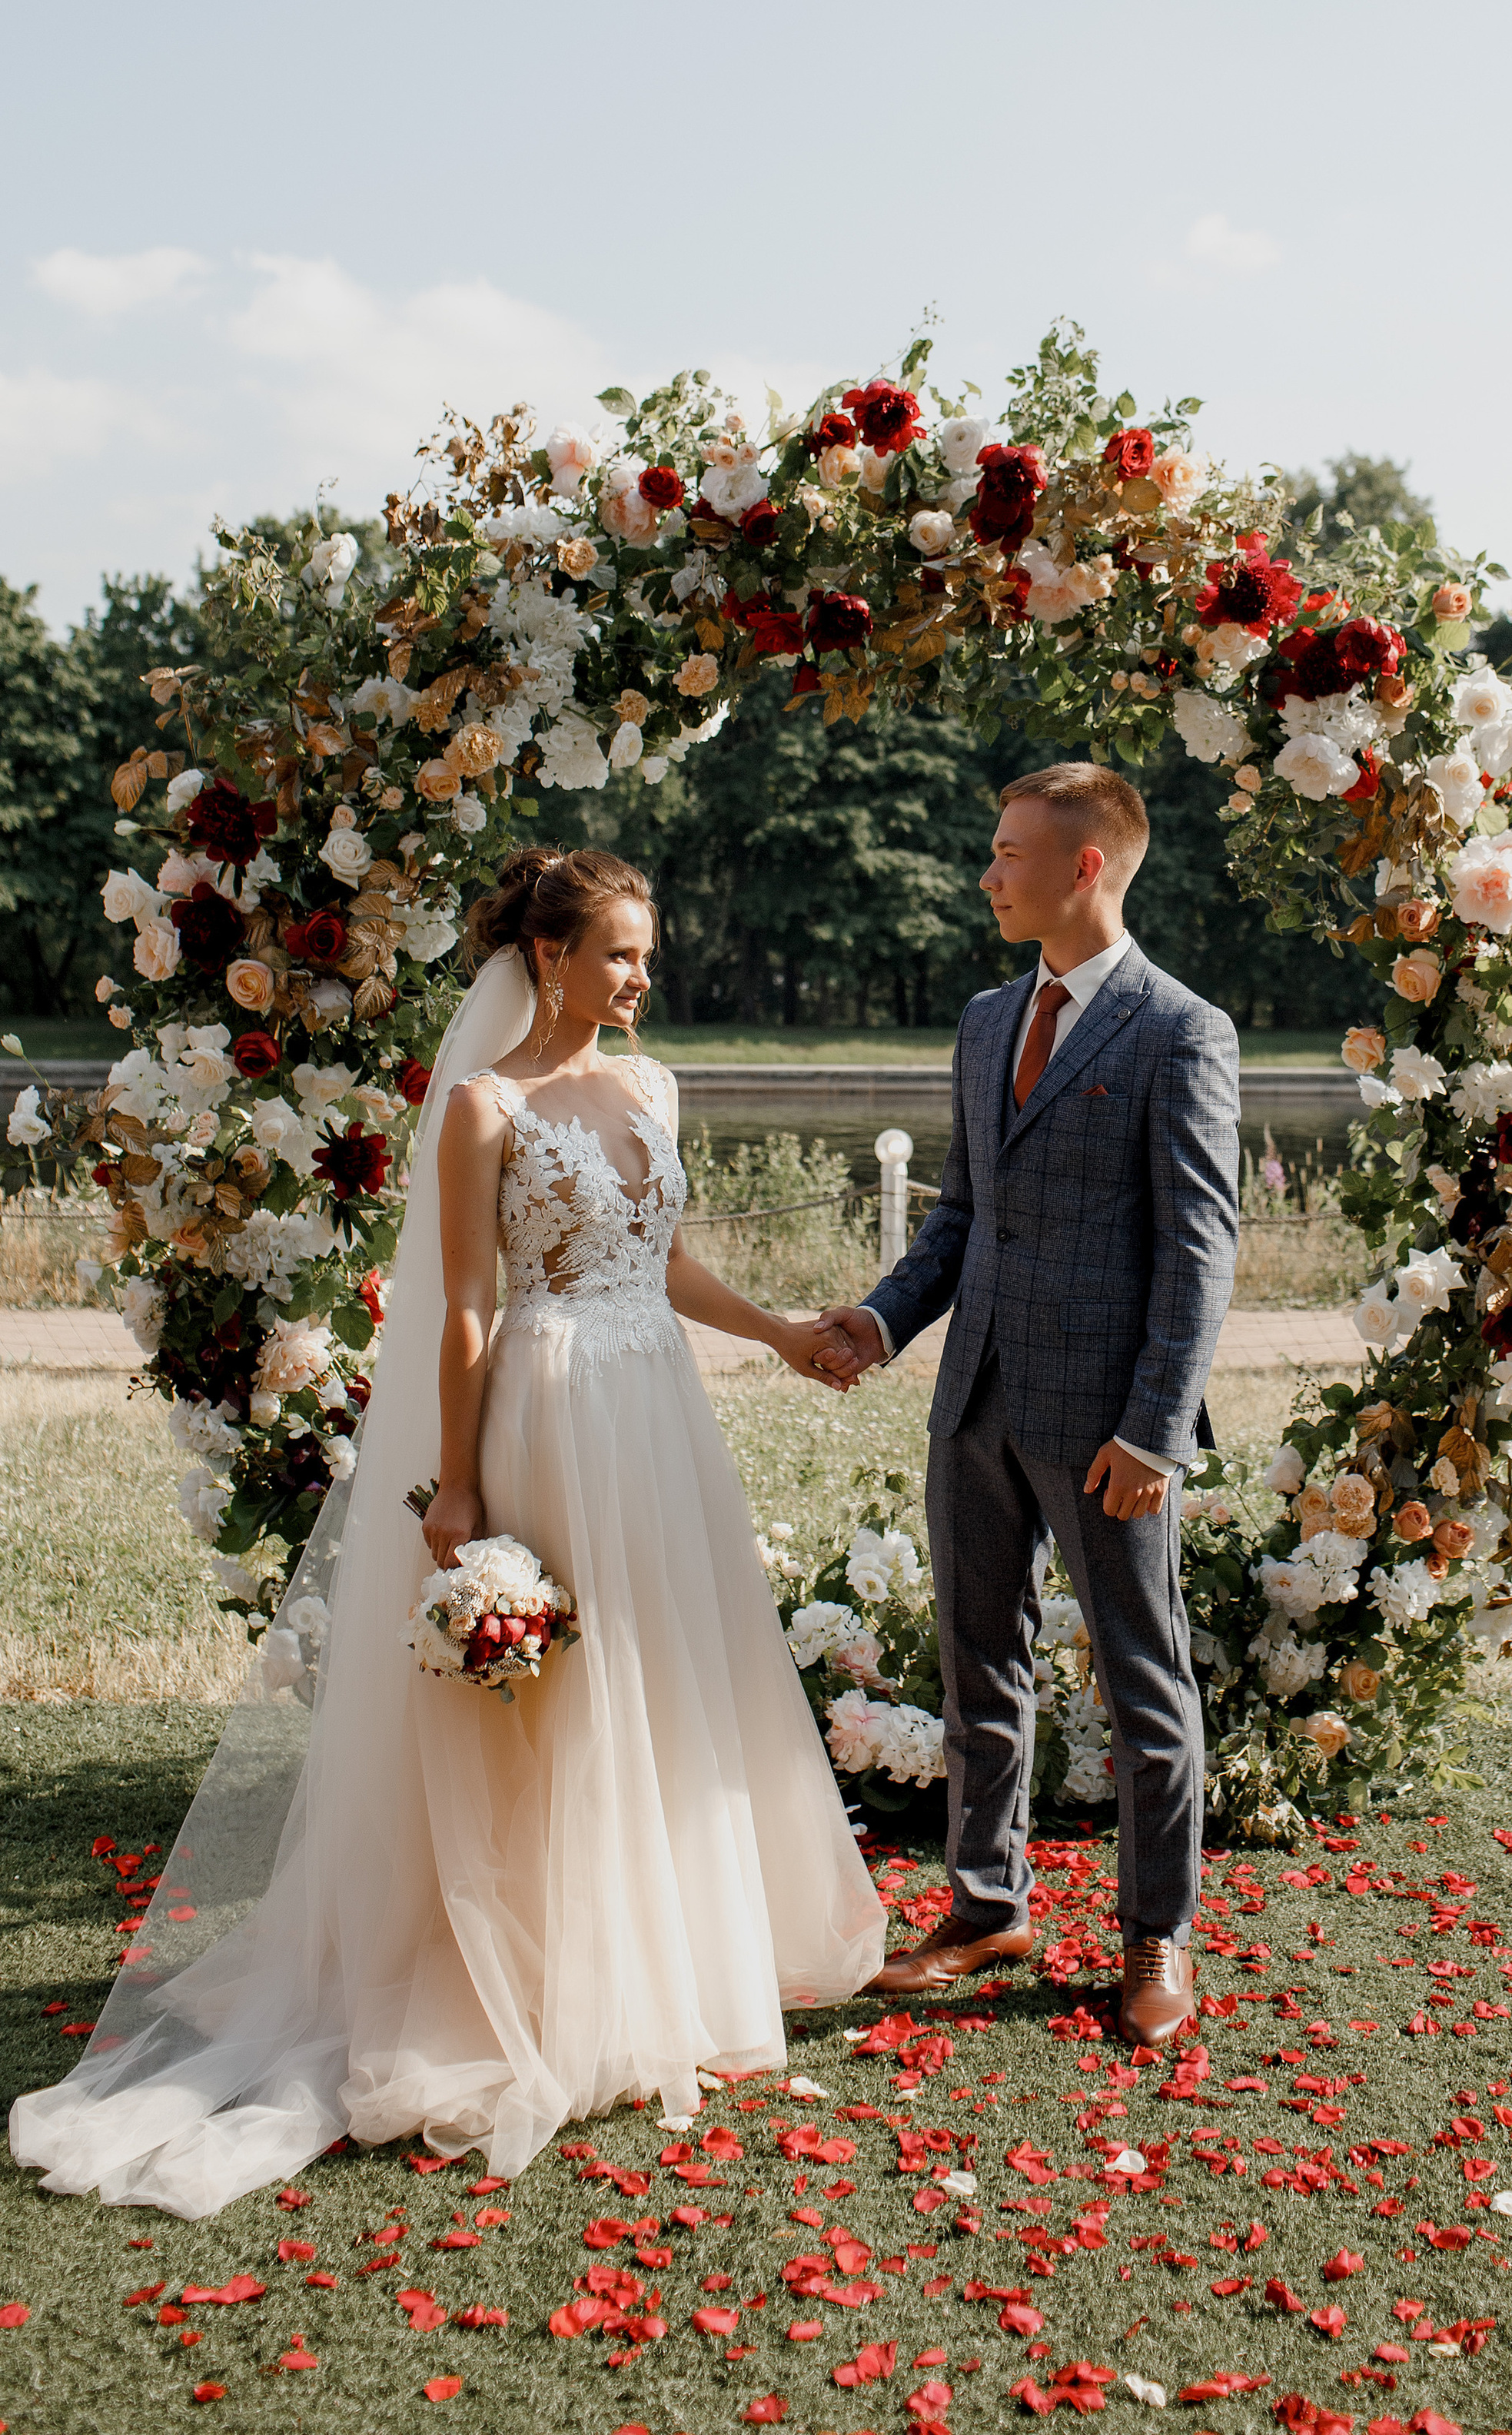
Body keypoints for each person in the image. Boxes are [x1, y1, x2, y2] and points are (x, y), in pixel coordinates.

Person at [10, 849, 884, 2217]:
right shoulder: (484, 1109)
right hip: (547, 1415)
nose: (642, 976)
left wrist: (778, 1333)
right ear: (550, 957)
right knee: (550, 1691)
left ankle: (657, 1957)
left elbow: (662, 1260)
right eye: (619, 954)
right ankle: (528, 1974)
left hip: (654, 1407)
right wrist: (461, 1490)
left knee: (658, 1674)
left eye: (647, 953)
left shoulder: (652, 1084)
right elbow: (467, 1312)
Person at [815, 765, 1240, 2050]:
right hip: (977, 1403)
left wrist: (1156, 1432)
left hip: (1112, 1428)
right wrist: (883, 1321)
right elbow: (964, 1216)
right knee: (976, 1669)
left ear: (1086, 866)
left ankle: (1155, 1932)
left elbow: (1201, 1252)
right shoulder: (989, 1018)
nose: (988, 874)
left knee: (1142, 1676)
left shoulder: (1182, 1030)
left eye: (1008, 854)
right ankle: (986, 1906)